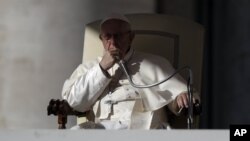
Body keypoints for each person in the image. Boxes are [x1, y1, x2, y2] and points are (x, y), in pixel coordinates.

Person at [62, 14, 198, 129]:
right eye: (107, 36)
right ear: (101, 39)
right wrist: (102, 68)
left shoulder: (155, 64)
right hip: (100, 130)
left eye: (119, 36)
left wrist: (181, 97)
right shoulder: (88, 67)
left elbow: (179, 93)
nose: (113, 42)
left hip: (143, 130)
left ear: (131, 37)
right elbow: (75, 102)